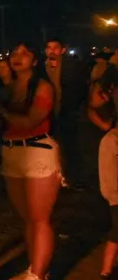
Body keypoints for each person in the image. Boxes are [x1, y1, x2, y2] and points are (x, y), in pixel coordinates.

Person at [0, 41, 60, 280]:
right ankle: (35, 268)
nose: (18, 57)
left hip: (38, 150)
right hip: (12, 151)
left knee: (40, 218)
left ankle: (40, 278)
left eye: (25, 52)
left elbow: (30, 121)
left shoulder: (42, 87)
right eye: (15, 52)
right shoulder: (8, 88)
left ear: (36, 60)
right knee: (27, 217)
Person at [44, 38, 90, 188]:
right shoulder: (42, 67)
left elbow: (79, 89)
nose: (51, 51)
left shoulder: (72, 66)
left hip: (67, 111)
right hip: (49, 112)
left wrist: (71, 108)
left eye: (55, 48)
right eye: (48, 47)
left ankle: (74, 178)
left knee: (70, 146)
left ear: (63, 50)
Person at [92, 81, 118, 280]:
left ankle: (106, 273)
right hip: (117, 196)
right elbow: (109, 175)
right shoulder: (112, 140)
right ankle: (106, 273)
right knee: (116, 234)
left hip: (114, 196)